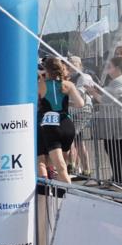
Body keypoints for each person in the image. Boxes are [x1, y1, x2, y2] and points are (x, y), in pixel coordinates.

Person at [36, 58, 85, 187]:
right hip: (67, 125)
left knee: (61, 168)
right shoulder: (68, 84)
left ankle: (71, 195)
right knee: (60, 165)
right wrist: (66, 103)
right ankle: (60, 192)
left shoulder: (41, 84)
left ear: (46, 69)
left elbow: (35, 103)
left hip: (51, 127)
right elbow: (81, 104)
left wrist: (41, 76)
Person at [91, 56, 122, 187]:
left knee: (117, 150)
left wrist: (93, 93)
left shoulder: (118, 82)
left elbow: (105, 101)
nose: (107, 70)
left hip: (119, 124)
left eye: (109, 67)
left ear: (117, 68)